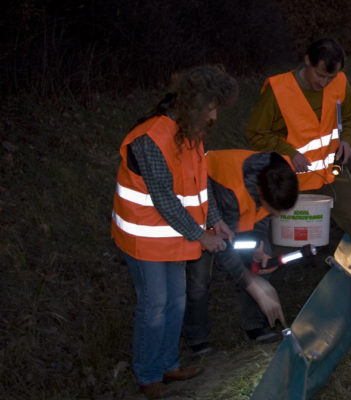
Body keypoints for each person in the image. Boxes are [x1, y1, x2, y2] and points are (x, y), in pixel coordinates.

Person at [245, 38, 351, 325]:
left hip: (332, 173)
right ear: (306, 61)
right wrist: (289, 153)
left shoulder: (339, 82)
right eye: (320, 75)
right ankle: (255, 314)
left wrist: (348, 141)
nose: (325, 83)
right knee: (275, 246)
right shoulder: (278, 89)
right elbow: (255, 134)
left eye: (331, 76)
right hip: (291, 180)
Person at [111, 65, 237, 399]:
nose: (214, 117)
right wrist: (202, 236)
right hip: (144, 239)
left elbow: (200, 182)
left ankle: (167, 363)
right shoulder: (151, 138)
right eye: (211, 108)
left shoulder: (190, 133)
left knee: (176, 302)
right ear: (195, 104)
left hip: (173, 237)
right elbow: (164, 199)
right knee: (155, 305)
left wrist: (214, 218)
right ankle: (148, 375)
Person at [184, 149, 298, 354]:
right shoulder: (233, 190)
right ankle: (197, 339)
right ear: (261, 194)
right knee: (198, 280)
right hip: (200, 216)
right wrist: (251, 283)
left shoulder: (280, 174)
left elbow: (263, 215)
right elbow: (226, 248)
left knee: (264, 262)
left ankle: (255, 325)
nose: (278, 215)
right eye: (275, 210)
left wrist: (259, 244)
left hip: (236, 217)